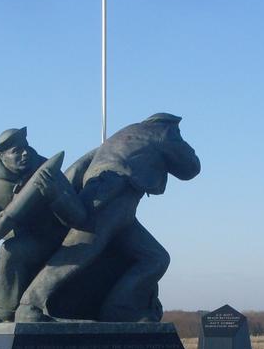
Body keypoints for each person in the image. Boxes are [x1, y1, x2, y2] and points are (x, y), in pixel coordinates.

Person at [17, 113, 201, 323]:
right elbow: (190, 168)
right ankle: (29, 306)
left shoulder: (129, 132)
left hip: (121, 201)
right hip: (111, 194)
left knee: (155, 258)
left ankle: (119, 309)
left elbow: (81, 164)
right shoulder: (165, 131)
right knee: (81, 250)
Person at [0, 127, 72, 322]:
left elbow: (79, 217)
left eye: (26, 147)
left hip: (56, 239)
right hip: (20, 238)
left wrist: (56, 196)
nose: (25, 153)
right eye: (16, 151)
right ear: (2, 156)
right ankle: (0, 312)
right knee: (13, 249)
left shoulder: (47, 170)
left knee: (12, 250)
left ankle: (1, 312)